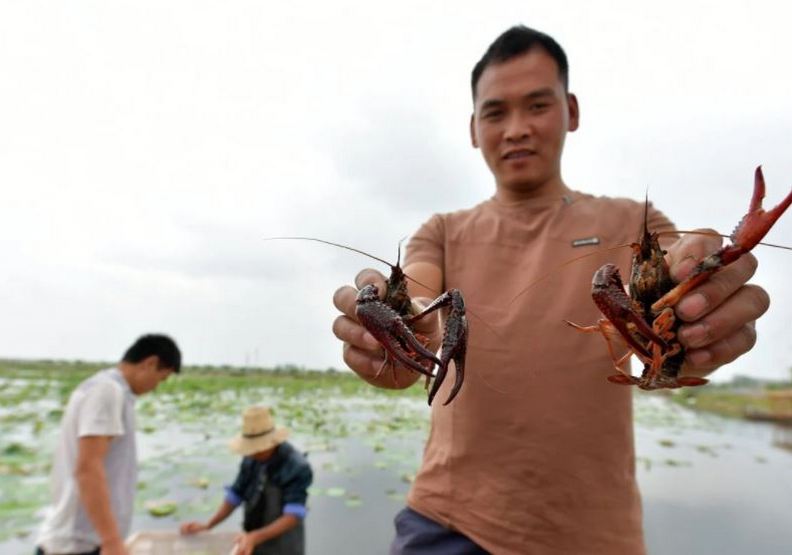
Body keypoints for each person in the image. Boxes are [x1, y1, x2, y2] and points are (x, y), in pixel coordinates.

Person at [331, 25, 771, 554]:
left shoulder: (636, 222)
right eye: (496, 113)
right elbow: (424, 299)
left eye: (537, 105)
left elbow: (684, 265)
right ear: (474, 128)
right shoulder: (441, 231)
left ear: (572, 111)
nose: (516, 128)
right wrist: (400, 326)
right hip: (449, 522)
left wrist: (703, 298)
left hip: (594, 535)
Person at [34, 334, 181, 555]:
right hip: (77, 544)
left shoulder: (109, 389)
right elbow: (88, 468)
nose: (156, 387)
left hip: (85, 540)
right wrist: (111, 541)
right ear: (150, 363)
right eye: (161, 378)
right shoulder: (107, 391)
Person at [180, 406, 313, 555]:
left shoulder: (296, 466)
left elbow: (293, 516)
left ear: (272, 442)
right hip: (252, 538)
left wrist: (255, 537)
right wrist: (208, 525)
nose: (253, 452)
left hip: (284, 543)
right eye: (251, 449)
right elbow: (236, 494)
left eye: (258, 448)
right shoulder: (251, 458)